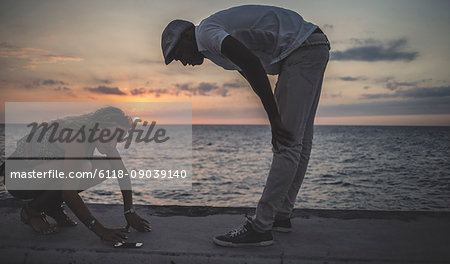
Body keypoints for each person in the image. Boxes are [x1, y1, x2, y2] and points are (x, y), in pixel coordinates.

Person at [161, 5, 330, 247]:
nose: (182, 61)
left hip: (302, 50)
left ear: (187, 36)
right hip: (311, 46)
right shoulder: (213, 50)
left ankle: (261, 227)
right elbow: (251, 73)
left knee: (287, 144)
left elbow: (252, 63)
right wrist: (273, 116)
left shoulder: (206, 33)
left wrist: (275, 120)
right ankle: (281, 215)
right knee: (298, 142)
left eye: (177, 53)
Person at [1, 107, 151, 243]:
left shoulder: (101, 137)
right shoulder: (77, 138)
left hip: (39, 172)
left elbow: (122, 172)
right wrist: (101, 231)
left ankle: (52, 206)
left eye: (118, 139)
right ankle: (32, 211)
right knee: (82, 166)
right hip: (18, 177)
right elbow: (68, 192)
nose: (113, 143)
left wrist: (129, 211)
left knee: (106, 166)